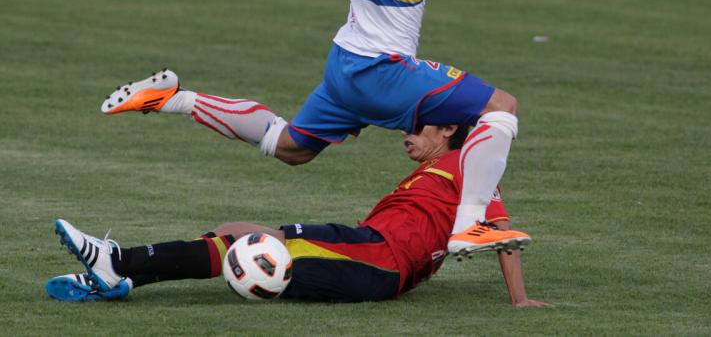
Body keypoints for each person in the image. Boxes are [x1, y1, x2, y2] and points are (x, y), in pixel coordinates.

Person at [102, 0, 628, 266]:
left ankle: (173, 98)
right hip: (379, 69)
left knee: (290, 148)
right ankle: (470, 225)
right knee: (502, 109)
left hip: (346, 69)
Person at [47, 125, 552, 307]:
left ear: (447, 131)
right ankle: (118, 277)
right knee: (234, 230)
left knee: (250, 248)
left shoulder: (468, 165)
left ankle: (118, 262)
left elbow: (501, 230)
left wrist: (520, 299)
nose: (406, 133)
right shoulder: (440, 169)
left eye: (417, 127)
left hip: (377, 258)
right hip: (367, 251)